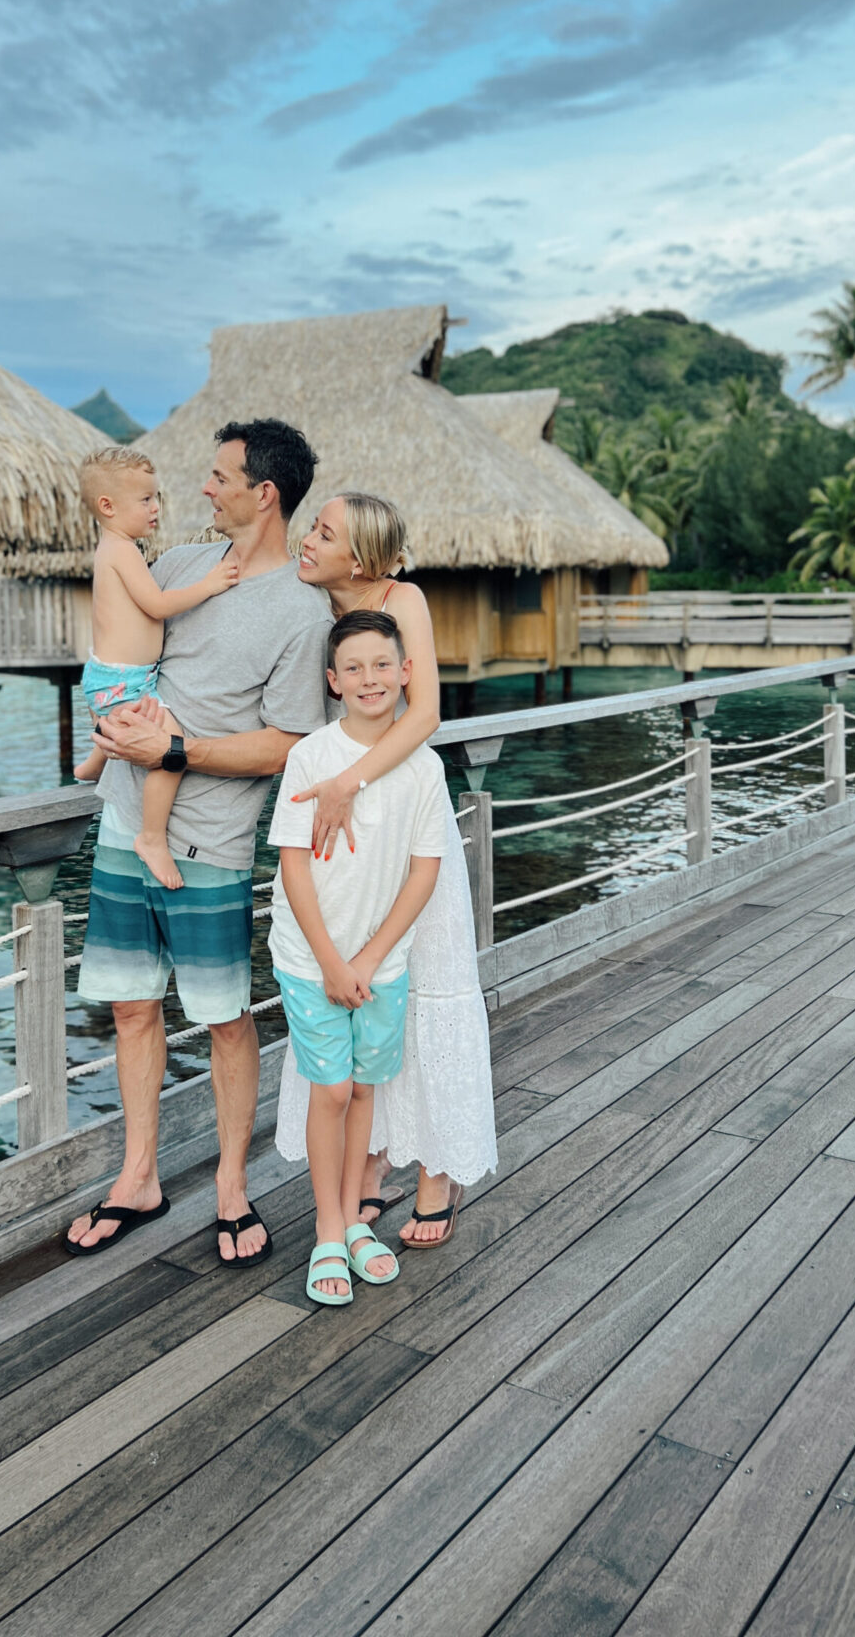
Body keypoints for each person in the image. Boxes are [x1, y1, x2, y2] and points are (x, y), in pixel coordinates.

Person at [64, 421, 332, 1266]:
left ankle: (231, 1186)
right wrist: (114, 733)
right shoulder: (177, 566)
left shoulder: (303, 611)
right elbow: (123, 652)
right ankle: (138, 1176)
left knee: (222, 1019)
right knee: (131, 1006)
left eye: (220, 477)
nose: (204, 489)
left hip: (211, 840)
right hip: (123, 821)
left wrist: (176, 749)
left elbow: (289, 743)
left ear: (265, 493)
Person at [275, 491, 498, 1244]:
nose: (307, 540)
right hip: (341, 843)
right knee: (363, 1007)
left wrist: (350, 781)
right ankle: (364, 1166)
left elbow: (424, 714)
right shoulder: (313, 607)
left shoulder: (404, 600)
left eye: (323, 533)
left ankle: (438, 1170)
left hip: (400, 818)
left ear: (362, 556)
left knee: (427, 990)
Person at [267, 611, 447, 1304]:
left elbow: (424, 872)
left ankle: (351, 1223)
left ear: (406, 672)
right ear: (333, 680)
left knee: (366, 1088)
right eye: (354, 668)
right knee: (333, 1090)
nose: (370, 678)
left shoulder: (424, 768)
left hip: (382, 963)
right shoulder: (313, 757)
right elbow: (293, 865)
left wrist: (369, 960)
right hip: (310, 957)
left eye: (382, 664)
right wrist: (333, 963)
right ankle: (325, 1229)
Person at [71, 445, 239, 889]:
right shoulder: (122, 551)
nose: (156, 508)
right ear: (108, 506)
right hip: (124, 682)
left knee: (126, 726)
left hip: (115, 678)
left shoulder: (114, 548)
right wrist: (210, 584)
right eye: (145, 499)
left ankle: (94, 763)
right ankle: (151, 837)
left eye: (156, 498)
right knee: (170, 751)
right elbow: (158, 604)